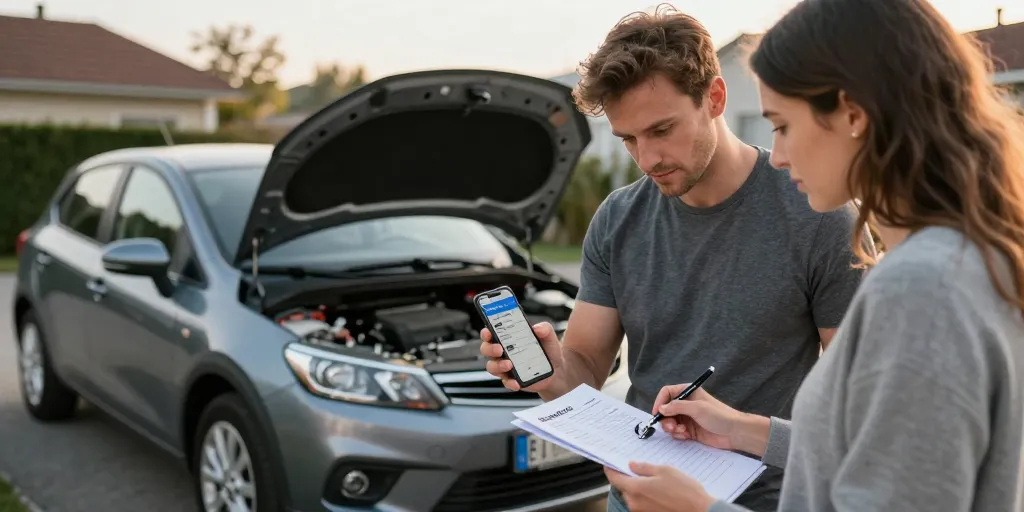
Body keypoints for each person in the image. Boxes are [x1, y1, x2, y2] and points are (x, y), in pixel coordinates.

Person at [600, 0, 1024, 510]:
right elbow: (870, 453)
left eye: (781, 125)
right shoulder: (965, 259)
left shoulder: (922, 288)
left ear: (852, 115)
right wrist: (743, 430)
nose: (776, 154)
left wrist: (702, 510)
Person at [478, 4, 874, 511]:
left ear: (714, 97)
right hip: (637, 494)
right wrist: (551, 371)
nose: (647, 159)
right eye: (629, 140)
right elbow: (585, 370)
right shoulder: (617, 219)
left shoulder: (818, 214)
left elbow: (858, 412)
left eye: (661, 130)